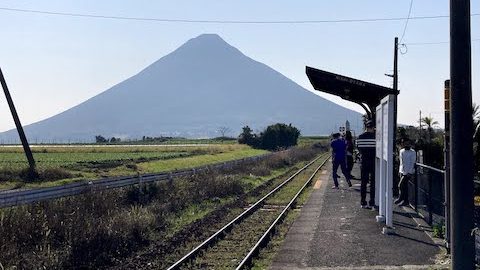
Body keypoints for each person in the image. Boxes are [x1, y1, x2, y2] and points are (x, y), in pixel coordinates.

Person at [356, 120, 376, 208]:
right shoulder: (376, 137)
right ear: (373, 128)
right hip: (373, 162)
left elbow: (358, 149)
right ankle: (372, 201)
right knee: (373, 183)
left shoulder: (359, 137)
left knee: (363, 183)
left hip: (363, 161)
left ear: (366, 127)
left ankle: (363, 202)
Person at [395, 138, 416, 206]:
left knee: (400, 185)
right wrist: (399, 171)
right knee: (405, 187)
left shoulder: (413, 152)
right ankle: (405, 201)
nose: (406, 145)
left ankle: (401, 198)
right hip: (402, 171)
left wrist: (409, 172)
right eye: (405, 143)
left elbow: (413, 162)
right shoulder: (401, 151)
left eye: (408, 143)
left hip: (408, 172)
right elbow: (401, 162)